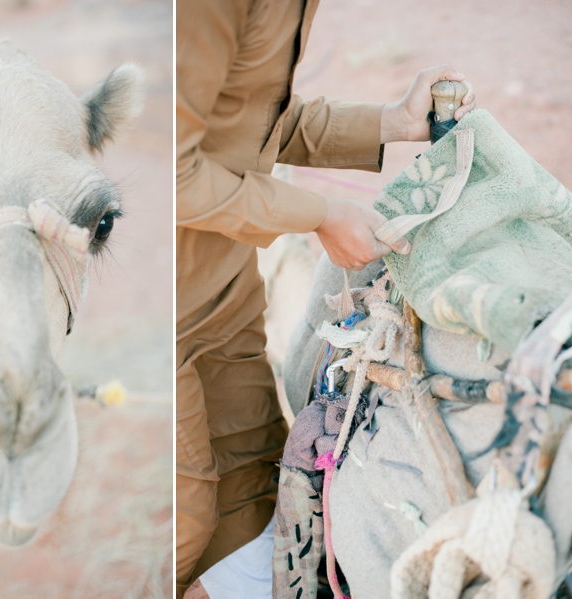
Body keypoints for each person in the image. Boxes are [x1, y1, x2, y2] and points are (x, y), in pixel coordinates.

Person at [175, 1, 476, 597]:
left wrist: (391, 122)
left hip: (228, 298)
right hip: (171, 314)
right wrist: (320, 215)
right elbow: (174, 169)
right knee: (184, 526)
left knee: (252, 507)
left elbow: (252, 121)